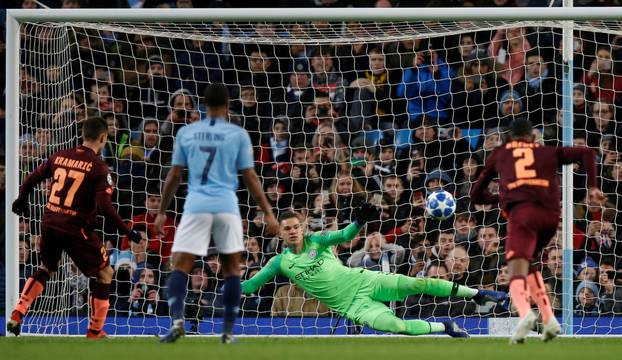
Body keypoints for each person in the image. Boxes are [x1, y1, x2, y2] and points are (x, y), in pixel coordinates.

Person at [241, 205, 507, 338]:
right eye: (286, 228)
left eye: (295, 227)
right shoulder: (280, 262)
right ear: (281, 231)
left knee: (417, 283)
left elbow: (346, 234)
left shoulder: (318, 241)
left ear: (302, 227)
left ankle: (477, 294)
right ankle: (445, 327)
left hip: (366, 280)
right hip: (351, 306)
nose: (292, 231)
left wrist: (359, 221)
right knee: (396, 326)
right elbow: (251, 286)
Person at [155, 83, 279, 344]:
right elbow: (251, 177)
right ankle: (228, 331)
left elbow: (174, 175)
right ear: (227, 106)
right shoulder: (237, 134)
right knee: (232, 269)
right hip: (226, 204)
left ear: (203, 105)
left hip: (196, 204)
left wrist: (162, 211)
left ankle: (177, 321)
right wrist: (268, 212)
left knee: (180, 265)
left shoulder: (187, 133)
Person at [470, 117, 605, 344]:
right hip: (551, 218)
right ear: (533, 137)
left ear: (509, 139)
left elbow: (475, 195)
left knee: (515, 266)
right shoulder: (547, 151)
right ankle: (549, 317)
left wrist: (501, 197)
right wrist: (592, 186)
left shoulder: (501, 153)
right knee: (528, 262)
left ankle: (524, 314)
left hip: (523, 215)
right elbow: (587, 153)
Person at [8, 117, 143, 339]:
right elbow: (105, 208)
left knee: (46, 268)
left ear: (83, 135)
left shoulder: (59, 156)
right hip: (76, 230)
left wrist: (22, 199)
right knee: (105, 273)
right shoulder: (99, 167)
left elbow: (31, 178)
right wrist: (129, 232)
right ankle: (94, 330)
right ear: (102, 137)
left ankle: (19, 310)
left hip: (50, 223)